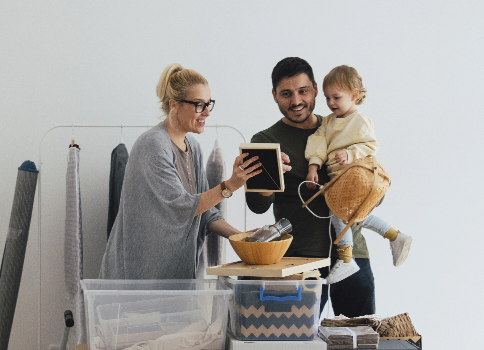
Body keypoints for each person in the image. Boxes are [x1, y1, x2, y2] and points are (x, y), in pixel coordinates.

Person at [99, 63, 261, 279]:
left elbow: (205, 211)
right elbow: (181, 207)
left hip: (175, 275)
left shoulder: (193, 147)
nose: (206, 113)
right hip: (139, 277)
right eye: (198, 105)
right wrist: (229, 185)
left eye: (209, 104)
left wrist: (242, 238)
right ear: (174, 104)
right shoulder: (153, 145)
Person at [246, 57, 374, 318]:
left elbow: (374, 192)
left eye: (303, 91)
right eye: (286, 94)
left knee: (361, 341)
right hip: (299, 259)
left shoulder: (346, 127)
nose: (296, 101)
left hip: (353, 255)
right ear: (274, 95)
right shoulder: (265, 141)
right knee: (295, 343)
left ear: (316, 88)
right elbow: (257, 206)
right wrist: (269, 181)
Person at [304, 65, 412, 284]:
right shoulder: (328, 122)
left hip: (354, 178)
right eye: (327, 98)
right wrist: (313, 166)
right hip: (336, 180)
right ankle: (393, 235)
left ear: (354, 95)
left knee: (339, 215)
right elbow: (319, 142)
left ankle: (346, 258)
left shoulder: (360, 120)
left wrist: (350, 153)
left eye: (336, 97)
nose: (331, 103)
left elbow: (370, 146)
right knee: (354, 216)